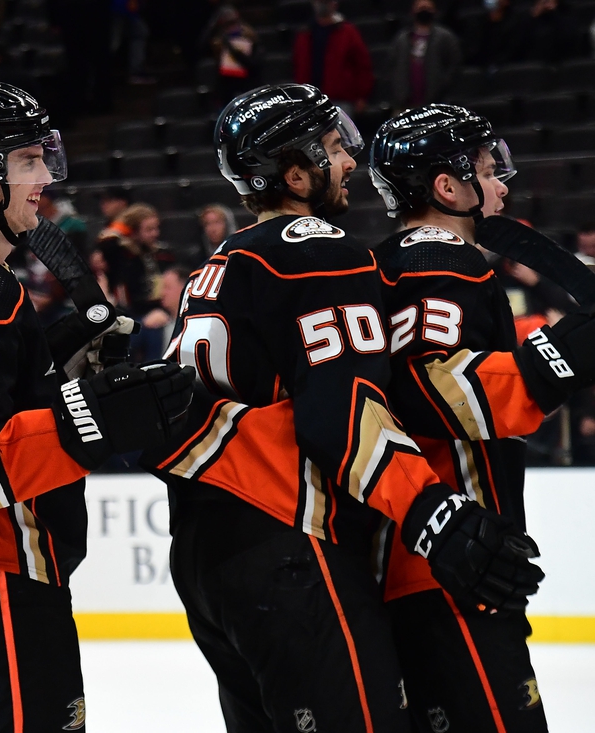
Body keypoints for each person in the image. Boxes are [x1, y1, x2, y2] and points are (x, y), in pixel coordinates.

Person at [143, 83, 543, 732]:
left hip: (202, 556)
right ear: (296, 172)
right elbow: (343, 419)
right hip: (291, 549)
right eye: (333, 148)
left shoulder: (212, 268)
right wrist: (434, 516)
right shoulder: (316, 248)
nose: (350, 161)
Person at [0, 79, 193, 733]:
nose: (45, 177)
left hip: (1, 571)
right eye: (28, 162)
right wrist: (84, 417)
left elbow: (0, 404)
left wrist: (63, 364)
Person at [368, 103, 595, 732]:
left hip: (423, 555)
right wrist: (558, 356)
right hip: (450, 561)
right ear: (447, 186)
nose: (501, 184)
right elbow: (423, 382)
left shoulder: (393, 260)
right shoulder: (438, 258)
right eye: (490, 170)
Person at [96, 202, 175, 319]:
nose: (155, 233)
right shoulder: (122, 254)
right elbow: (106, 240)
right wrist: (124, 228)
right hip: (131, 314)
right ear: (133, 231)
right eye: (149, 229)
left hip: (161, 313)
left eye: (156, 228)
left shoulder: (164, 254)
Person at [293, 0, 373, 115]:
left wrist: (362, 96)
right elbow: (297, 65)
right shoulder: (304, 33)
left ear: (334, 4)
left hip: (341, 99)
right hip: (310, 100)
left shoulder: (348, 32)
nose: (322, 5)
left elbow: (362, 65)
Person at [389, 0, 463, 111]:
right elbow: (391, 65)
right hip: (404, 103)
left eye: (427, 8)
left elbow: (455, 65)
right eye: (420, 8)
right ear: (413, 11)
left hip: (436, 102)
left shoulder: (446, 37)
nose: (424, 11)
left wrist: (442, 85)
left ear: (435, 11)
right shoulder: (401, 39)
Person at [200, 4, 261, 103]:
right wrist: (213, 24)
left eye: (233, 23)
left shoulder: (250, 38)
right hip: (226, 88)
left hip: (249, 86)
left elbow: (253, 65)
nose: (231, 28)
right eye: (227, 25)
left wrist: (231, 48)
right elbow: (201, 48)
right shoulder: (218, 41)